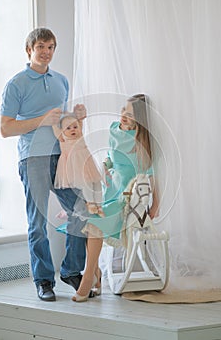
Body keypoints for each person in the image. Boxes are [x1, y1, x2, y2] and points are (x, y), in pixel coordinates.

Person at [0, 27, 88, 302]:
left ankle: (72, 270)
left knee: (82, 209)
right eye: (41, 47)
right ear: (30, 50)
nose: (46, 52)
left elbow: (61, 123)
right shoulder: (16, 84)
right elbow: (5, 129)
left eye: (50, 47)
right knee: (37, 223)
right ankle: (43, 281)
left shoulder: (61, 81)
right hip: (33, 159)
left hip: (62, 156)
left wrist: (77, 116)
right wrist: (40, 120)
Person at [72, 94, 159, 302]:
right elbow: (110, 158)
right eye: (123, 111)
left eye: (130, 114)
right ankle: (97, 277)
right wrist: (105, 166)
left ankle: (88, 278)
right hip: (109, 187)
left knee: (96, 222)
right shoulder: (113, 129)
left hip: (127, 195)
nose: (124, 116)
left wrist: (155, 204)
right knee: (84, 215)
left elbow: (153, 175)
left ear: (140, 119)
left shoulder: (143, 141)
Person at [53, 111, 105, 217]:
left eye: (75, 127)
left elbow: (80, 121)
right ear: (62, 130)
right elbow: (55, 128)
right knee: (87, 184)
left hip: (88, 164)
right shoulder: (63, 139)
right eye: (68, 128)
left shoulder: (80, 135)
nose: (73, 129)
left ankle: (99, 205)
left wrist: (78, 116)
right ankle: (90, 203)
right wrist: (55, 121)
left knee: (97, 183)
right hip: (76, 168)